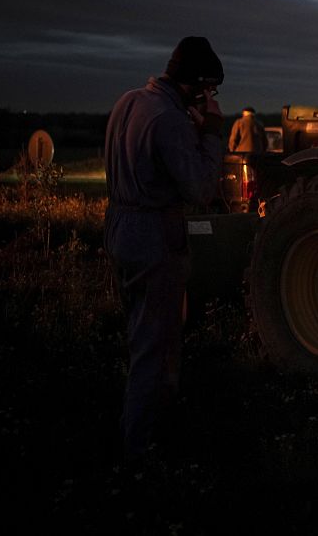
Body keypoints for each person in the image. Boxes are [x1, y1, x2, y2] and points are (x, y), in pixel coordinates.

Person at [104, 36, 225, 462]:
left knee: (145, 337)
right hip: (153, 235)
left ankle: (156, 431)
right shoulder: (170, 121)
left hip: (120, 227)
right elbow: (201, 188)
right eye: (210, 90)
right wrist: (211, 133)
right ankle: (141, 451)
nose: (211, 98)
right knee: (154, 348)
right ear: (196, 86)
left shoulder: (130, 102)